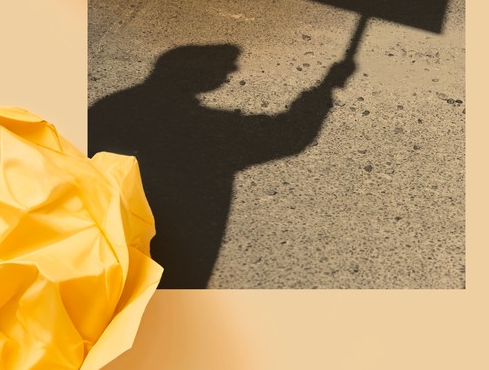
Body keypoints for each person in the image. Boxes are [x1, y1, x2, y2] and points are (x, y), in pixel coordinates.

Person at [88, 44, 355, 288]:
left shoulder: (107, 109)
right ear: (192, 73)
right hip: (167, 258)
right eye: (223, 65)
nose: (232, 71)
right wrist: (326, 88)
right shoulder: (197, 129)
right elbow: (286, 136)